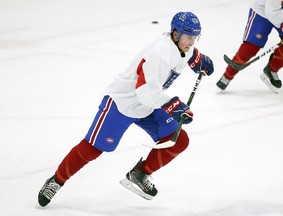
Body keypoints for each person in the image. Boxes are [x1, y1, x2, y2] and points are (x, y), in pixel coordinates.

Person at [37, 11, 214, 207]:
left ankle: (140, 173)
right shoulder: (159, 53)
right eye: (189, 37)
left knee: (178, 140)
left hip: (149, 105)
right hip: (123, 103)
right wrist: (174, 106)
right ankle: (56, 181)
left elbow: (185, 55)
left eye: (195, 37)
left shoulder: (180, 45)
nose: (192, 42)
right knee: (93, 148)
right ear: (175, 34)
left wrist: (198, 59)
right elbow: (145, 92)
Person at [216, 0, 283, 93]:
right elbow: (272, 10)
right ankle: (227, 75)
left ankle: (272, 70)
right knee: (250, 48)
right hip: (262, 12)